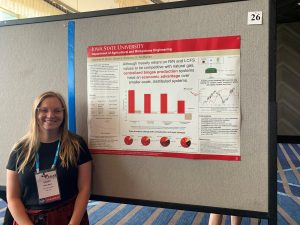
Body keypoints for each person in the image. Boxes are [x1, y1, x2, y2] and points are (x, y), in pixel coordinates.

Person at [6, 91, 92, 225]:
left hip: (67, 217)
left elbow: (84, 189)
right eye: (44, 110)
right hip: (28, 219)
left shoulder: (76, 145)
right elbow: (12, 197)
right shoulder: (20, 149)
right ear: (36, 113)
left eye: (57, 111)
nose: (51, 115)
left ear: (64, 114)